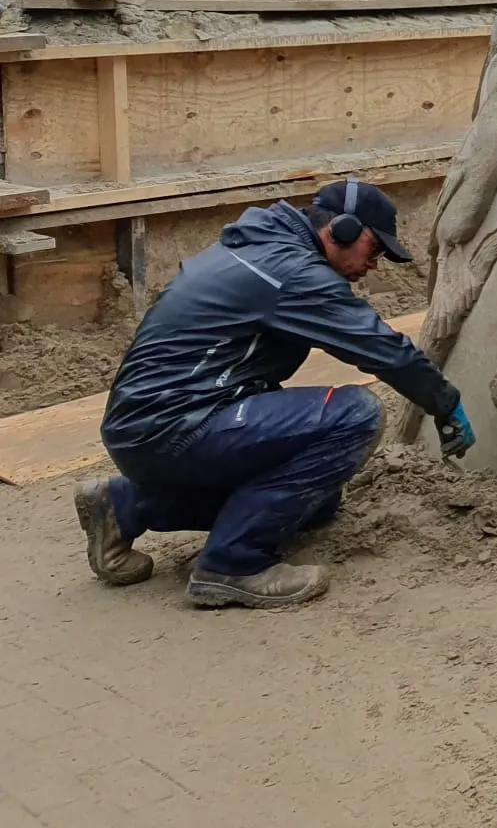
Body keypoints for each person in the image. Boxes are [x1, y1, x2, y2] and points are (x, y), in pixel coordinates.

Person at [75, 179, 473, 609]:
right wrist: (444, 401)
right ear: (341, 229)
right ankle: (233, 564)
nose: (373, 266)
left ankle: (125, 506)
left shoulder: (262, 246)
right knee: (355, 414)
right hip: (175, 424)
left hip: (153, 421)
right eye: (374, 250)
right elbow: (381, 349)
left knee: (317, 504)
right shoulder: (292, 272)